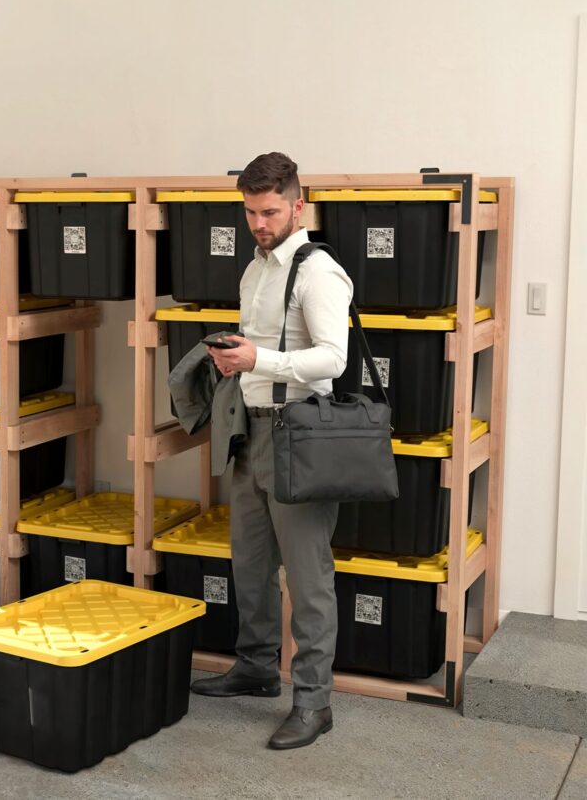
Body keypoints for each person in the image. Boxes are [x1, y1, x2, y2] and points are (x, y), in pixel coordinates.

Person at [190, 152, 353, 750]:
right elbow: (261, 347)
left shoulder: (318, 271)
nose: (259, 223)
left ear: (297, 205)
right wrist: (235, 355)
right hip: (249, 429)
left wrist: (261, 359)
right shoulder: (255, 270)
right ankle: (257, 668)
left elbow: (333, 358)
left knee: (308, 578)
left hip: (300, 436)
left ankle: (314, 703)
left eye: (270, 211)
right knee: (251, 565)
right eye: (251, 212)